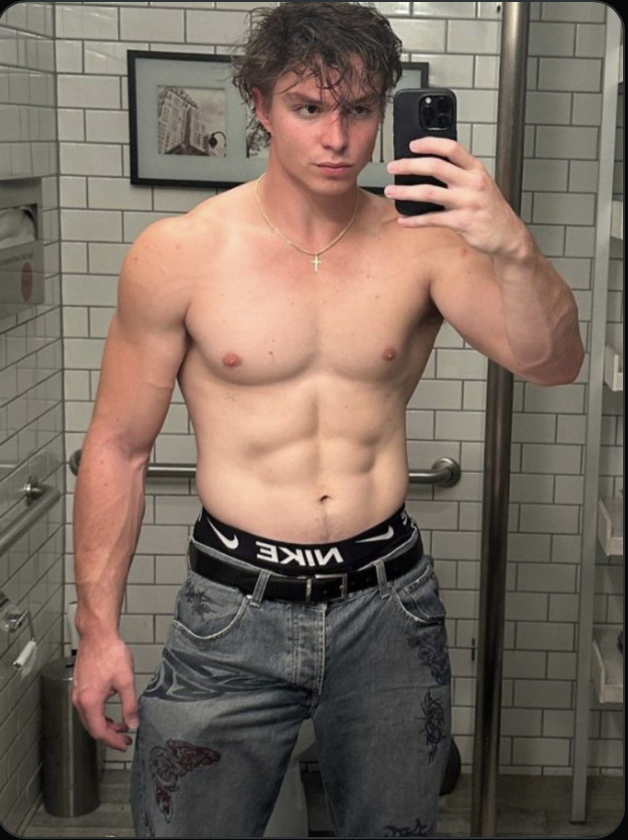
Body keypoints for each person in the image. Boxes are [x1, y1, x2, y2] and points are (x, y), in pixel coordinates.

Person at [72, 3, 585, 838]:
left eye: (358, 109)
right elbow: (119, 447)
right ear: (261, 105)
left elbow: (555, 363)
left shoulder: (426, 244)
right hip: (232, 609)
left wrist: (512, 243)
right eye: (309, 107)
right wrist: (97, 632)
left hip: (390, 608)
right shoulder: (181, 253)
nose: (337, 137)